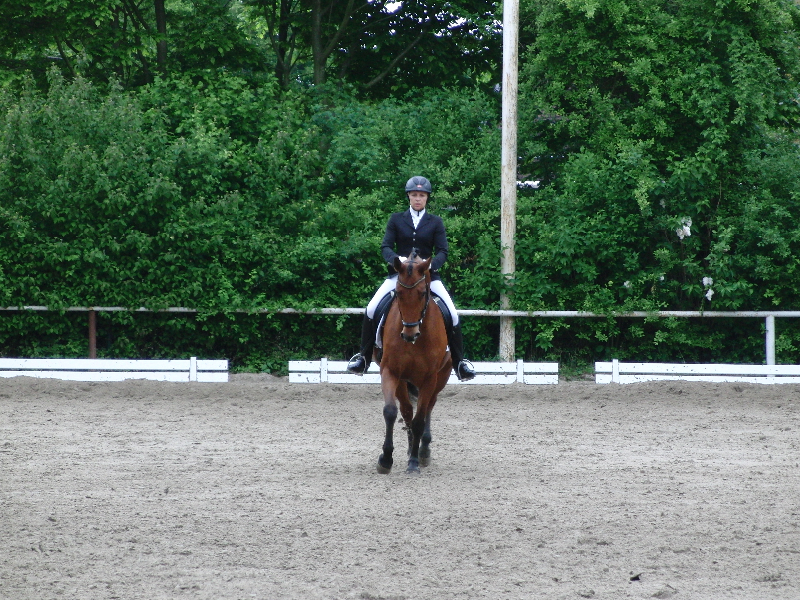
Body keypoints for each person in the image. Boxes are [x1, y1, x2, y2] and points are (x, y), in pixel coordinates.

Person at [347, 176, 476, 381]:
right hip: (400, 276)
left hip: (427, 277)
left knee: (452, 314)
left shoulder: (435, 222)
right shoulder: (396, 219)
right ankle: (363, 357)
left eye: (422, 195)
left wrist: (430, 264)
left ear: (427, 198)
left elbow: (443, 251)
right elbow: (385, 247)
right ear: (409, 196)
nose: (418, 198)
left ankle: (460, 363)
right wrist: (397, 260)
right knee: (371, 309)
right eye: (414, 195)